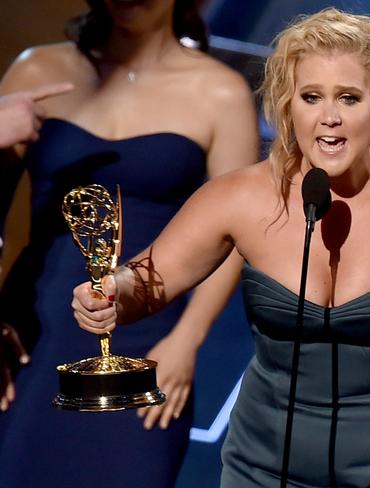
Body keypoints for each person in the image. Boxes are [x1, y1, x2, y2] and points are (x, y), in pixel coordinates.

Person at [72, 8, 370, 487]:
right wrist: (108, 295)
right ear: (288, 105)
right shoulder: (242, 197)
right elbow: (147, 282)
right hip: (266, 465)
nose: (329, 118)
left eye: (349, 98)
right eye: (311, 97)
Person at [0, 0, 258, 485]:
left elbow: (235, 232)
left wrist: (188, 339)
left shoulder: (220, 93)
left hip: (149, 346)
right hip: (29, 340)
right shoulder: (39, 68)